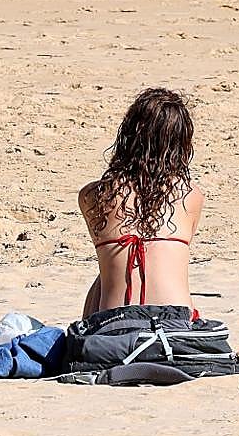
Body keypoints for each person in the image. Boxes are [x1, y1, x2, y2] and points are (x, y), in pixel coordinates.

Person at [78, 88, 204, 319]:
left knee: (106, 271)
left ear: (127, 135)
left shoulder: (92, 196)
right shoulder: (190, 195)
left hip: (112, 325)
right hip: (176, 322)